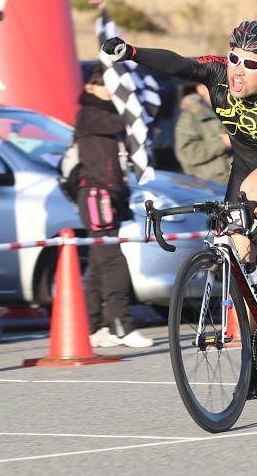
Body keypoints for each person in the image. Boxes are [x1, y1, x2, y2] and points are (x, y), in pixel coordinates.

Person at [102, 21, 257, 321]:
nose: (237, 71)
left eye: (251, 64)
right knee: (237, 260)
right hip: (245, 163)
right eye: (234, 58)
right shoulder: (217, 72)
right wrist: (133, 52)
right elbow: (179, 65)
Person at [75, 63, 153, 349]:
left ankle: (94, 327)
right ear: (89, 87)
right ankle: (122, 326)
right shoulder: (88, 115)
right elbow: (120, 123)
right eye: (100, 83)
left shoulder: (107, 115)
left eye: (110, 83)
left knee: (98, 263)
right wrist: (131, 102)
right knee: (113, 261)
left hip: (112, 195)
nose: (107, 88)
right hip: (97, 196)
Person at [173, 83, 233, 184]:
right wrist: (223, 142)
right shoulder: (189, 116)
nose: (222, 89)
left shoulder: (238, 110)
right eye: (215, 85)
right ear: (200, 89)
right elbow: (186, 153)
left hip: (240, 181)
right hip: (208, 185)